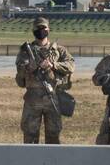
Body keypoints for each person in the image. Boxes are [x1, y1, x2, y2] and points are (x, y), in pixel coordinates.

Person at [15, 16, 74, 144]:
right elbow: (20, 73)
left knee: (53, 137)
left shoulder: (59, 50)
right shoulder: (25, 51)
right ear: (33, 30)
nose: (41, 30)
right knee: (30, 136)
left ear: (48, 29)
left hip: (53, 98)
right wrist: (29, 67)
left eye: (44, 28)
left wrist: (54, 65)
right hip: (32, 99)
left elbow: (71, 65)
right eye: (38, 28)